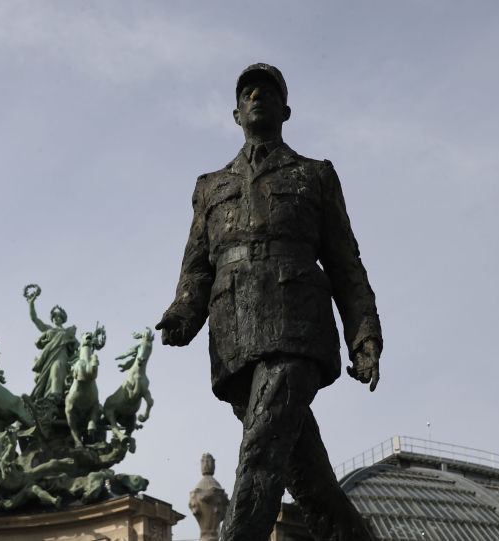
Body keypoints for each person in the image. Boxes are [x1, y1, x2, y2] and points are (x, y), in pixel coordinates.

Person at [156, 63, 382, 540]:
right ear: (235, 113)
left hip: (295, 327)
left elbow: (345, 263)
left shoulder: (315, 175)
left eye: (268, 90)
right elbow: (197, 267)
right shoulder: (210, 186)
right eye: (247, 91)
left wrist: (363, 334)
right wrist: (181, 313)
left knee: (259, 452)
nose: (256, 94)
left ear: (286, 109)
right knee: (309, 480)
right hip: (233, 336)